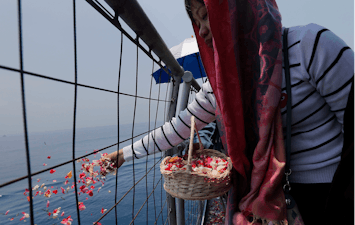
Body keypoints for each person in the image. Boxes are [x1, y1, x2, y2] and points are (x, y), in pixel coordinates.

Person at [106, 0, 355, 224]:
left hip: (334, 188)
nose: (201, 30)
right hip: (273, 199)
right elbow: (178, 128)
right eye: (197, 21)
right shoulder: (221, 86)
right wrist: (124, 154)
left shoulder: (312, 46)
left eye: (207, 16)